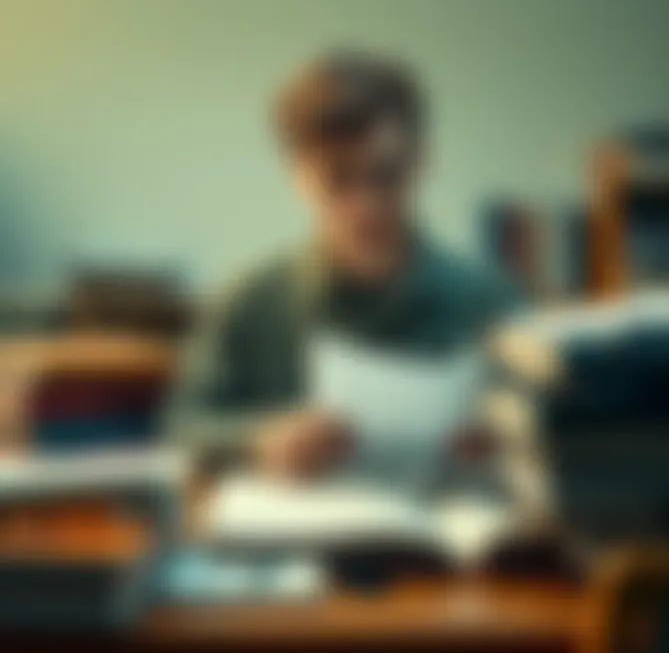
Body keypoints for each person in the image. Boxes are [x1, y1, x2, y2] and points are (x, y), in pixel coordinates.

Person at [167, 51, 515, 478]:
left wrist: (512, 437)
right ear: (298, 176)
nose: (366, 207)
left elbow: (556, 428)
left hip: (452, 535)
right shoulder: (248, 301)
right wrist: (259, 438)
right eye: (339, 179)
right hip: (296, 531)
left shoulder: (491, 300)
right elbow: (183, 427)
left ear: (422, 161)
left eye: (387, 175)